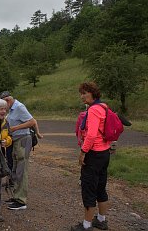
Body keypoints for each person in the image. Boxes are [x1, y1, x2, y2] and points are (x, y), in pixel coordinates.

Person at [71, 82, 111, 231]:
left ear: (92, 93)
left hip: (93, 154)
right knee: (101, 186)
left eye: (85, 93)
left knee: (89, 188)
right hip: (104, 153)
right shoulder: (104, 107)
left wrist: (83, 152)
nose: (82, 96)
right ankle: (101, 220)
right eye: (81, 93)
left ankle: (86, 225)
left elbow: (92, 134)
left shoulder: (94, 110)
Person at [0, 91, 43, 211]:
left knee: (22, 170)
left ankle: (21, 200)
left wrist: (14, 128)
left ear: (7, 100)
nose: (3, 109)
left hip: (23, 139)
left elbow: (32, 121)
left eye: (3, 105)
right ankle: (16, 197)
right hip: (16, 141)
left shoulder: (19, 107)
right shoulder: (12, 109)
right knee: (16, 169)